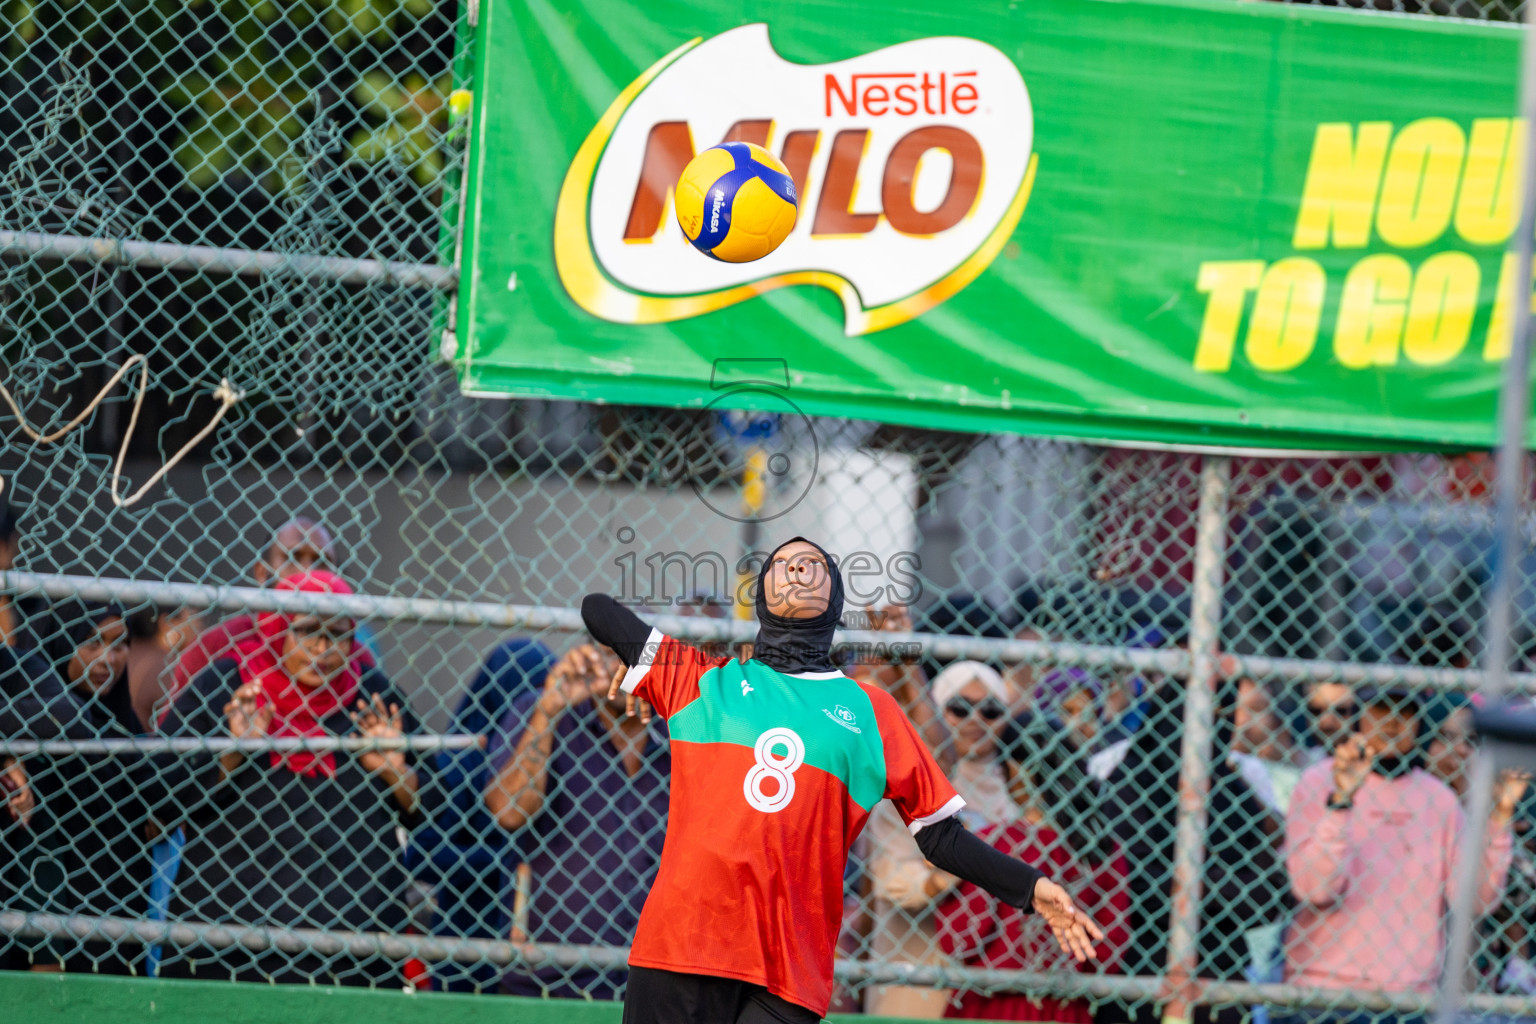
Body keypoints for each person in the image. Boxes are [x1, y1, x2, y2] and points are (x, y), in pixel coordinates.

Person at [581, 536, 1103, 1024]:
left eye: (812, 564)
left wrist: (1030, 887)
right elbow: (598, 609)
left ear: (835, 596)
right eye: (781, 564)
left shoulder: (869, 710)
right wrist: (646, 666)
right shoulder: (703, 680)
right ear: (761, 594)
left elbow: (940, 836)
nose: (796, 569)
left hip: (789, 967)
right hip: (681, 946)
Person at [155, 570, 425, 985]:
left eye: (337, 635)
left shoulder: (372, 696)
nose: (323, 649)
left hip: (349, 947)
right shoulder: (229, 685)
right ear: (276, 629)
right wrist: (232, 753)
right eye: (306, 632)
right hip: (229, 939)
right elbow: (162, 794)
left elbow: (436, 807)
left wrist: (396, 771)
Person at [1284, 686, 1524, 1006]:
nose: (1393, 723)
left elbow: (1475, 901)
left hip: (1409, 994)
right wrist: (1340, 803)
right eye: (1380, 711)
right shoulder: (1318, 782)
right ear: (1359, 717)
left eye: (1405, 713)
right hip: (1321, 987)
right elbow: (1315, 890)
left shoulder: (1439, 800)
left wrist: (1500, 817)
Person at [484, 642, 668, 1000]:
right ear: (590, 655)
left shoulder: (682, 724)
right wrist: (549, 711)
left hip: (656, 979)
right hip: (548, 976)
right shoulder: (540, 708)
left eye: (637, 654)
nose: (622, 667)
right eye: (612, 653)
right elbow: (509, 810)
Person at [1102, 674, 1286, 1024]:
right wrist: (1221, 885)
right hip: (1139, 974)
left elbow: (1270, 895)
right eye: (1193, 714)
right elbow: (1134, 882)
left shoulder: (1233, 793)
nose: (1206, 728)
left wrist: (1189, 883)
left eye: (1220, 713)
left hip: (1217, 978)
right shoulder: (1131, 783)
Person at [936, 713, 1130, 1022]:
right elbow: (1109, 952)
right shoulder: (1102, 849)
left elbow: (960, 938)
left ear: (1016, 771)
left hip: (990, 1003)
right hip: (1067, 1006)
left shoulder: (991, 842)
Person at [862, 660, 1018, 1018]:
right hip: (914, 964)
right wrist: (970, 863)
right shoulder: (908, 780)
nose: (975, 721)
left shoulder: (1018, 783)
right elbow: (896, 883)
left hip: (989, 979)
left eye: (991, 710)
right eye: (959, 708)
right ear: (938, 708)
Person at [412, 637, 554, 993]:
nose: (530, 708)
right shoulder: (461, 760)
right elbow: (421, 854)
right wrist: (505, 865)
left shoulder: (552, 756)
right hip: (467, 938)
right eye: (525, 693)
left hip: (536, 944)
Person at [25, 601, 154, 974]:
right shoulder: (41, 730)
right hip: (58, 939)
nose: (108, 659)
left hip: (122, 925)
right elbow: (36, 844)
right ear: (63, 644)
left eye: (119, 644)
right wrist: (44, 950)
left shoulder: (126, 728)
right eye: (92, 643)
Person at [162, 518, 379, 722]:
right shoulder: (218, 644)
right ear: (262, 573)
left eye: (321, 562)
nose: (307, 572)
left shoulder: (355, 655)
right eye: (292, 558)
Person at [125, 603, 203, 732]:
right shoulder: (168, 665)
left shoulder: (131, 650)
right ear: (168, 623)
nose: (199, 628)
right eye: (194, 618)